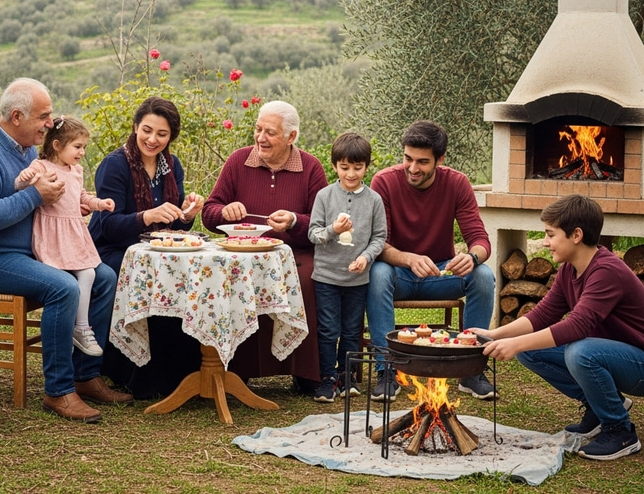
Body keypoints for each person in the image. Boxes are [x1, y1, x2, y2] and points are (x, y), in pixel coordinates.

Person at [0, 78, 132, 423]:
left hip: (25, 252)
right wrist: (35, 196)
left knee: (104, 276)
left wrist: (64, 204)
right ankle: (59, 391)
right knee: (62, 287)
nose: (51, 124)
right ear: (17, 116)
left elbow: (40, 198)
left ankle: (85, 376)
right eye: (44, 116)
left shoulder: (24, 149)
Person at [473, 194, 644, 461]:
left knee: (580, 352)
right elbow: (543, 314)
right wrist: (492, 335)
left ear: (576, 235)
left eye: (550, 234)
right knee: (530, 350)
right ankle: (599, 405)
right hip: (614, 356)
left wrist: (515, 343)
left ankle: (621, 432)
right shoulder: (570, 269)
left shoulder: (606, 272)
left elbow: (577, 326)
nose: (545, 242)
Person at [202, 100, 328, 394]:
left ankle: (305, 373)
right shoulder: (238, 161)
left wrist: (295, 221)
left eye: (270, 132)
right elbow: (209, 211)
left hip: (294, 254)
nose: (260, 138)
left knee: (307, 279)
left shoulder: (311, 168)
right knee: (233, 280)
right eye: (258, 129)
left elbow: (322, 226)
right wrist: (224, 212)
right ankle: (239, 371)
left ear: (291, 137)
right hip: (241, 255)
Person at [366, 120, 496, 402]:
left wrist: (472, 257)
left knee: (483, 275)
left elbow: (481, 240)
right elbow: (377, 244)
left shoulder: (457, 183)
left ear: (440, 159)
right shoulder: (384, 182)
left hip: (441, 275)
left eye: (422, 162)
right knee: (377, 272)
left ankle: (471, 371)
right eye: (407, 159)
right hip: (397, 274)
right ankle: (387, 369)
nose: (413, 168)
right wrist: (409, 259)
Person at [88, 96, 205, 398]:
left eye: (162, 134)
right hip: (113, 251)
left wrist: (187, 215)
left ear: (171, 137)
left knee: (190, 276)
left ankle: (186, 371)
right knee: (148, 278)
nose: (153, 139)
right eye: (147, 130)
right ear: (135, 127)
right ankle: (135, 374)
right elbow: (107, 226)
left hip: (156, 252)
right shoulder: (115, 165)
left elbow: (173, 226)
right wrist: (145, 217)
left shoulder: (172, 165)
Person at [16, 116, 115, 358]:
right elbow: (19, 184)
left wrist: (99, 203)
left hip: (73, 233)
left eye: (84, 147)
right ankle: (77, 328)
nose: (82, 152)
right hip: (53, 235)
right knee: (73, 279)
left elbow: (81, 196)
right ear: (58, 145)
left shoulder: (76, 170)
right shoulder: (41, 166)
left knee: (90, 272)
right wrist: (27, 178)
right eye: (77, 147)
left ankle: (79, 328)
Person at [308, 132, 386, 403]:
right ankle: (327, 378)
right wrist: (333, 229)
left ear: (367, 166)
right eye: (344, 167)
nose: (351, 173)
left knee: (352, 330)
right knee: (329, 329)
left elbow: (379, 237)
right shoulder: (324, 196)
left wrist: (366, 257)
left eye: (357, 167)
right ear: (334, 166)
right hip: (327, 277)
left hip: (358, 279)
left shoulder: (374, 200)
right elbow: (313, 233)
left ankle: (348, 377)